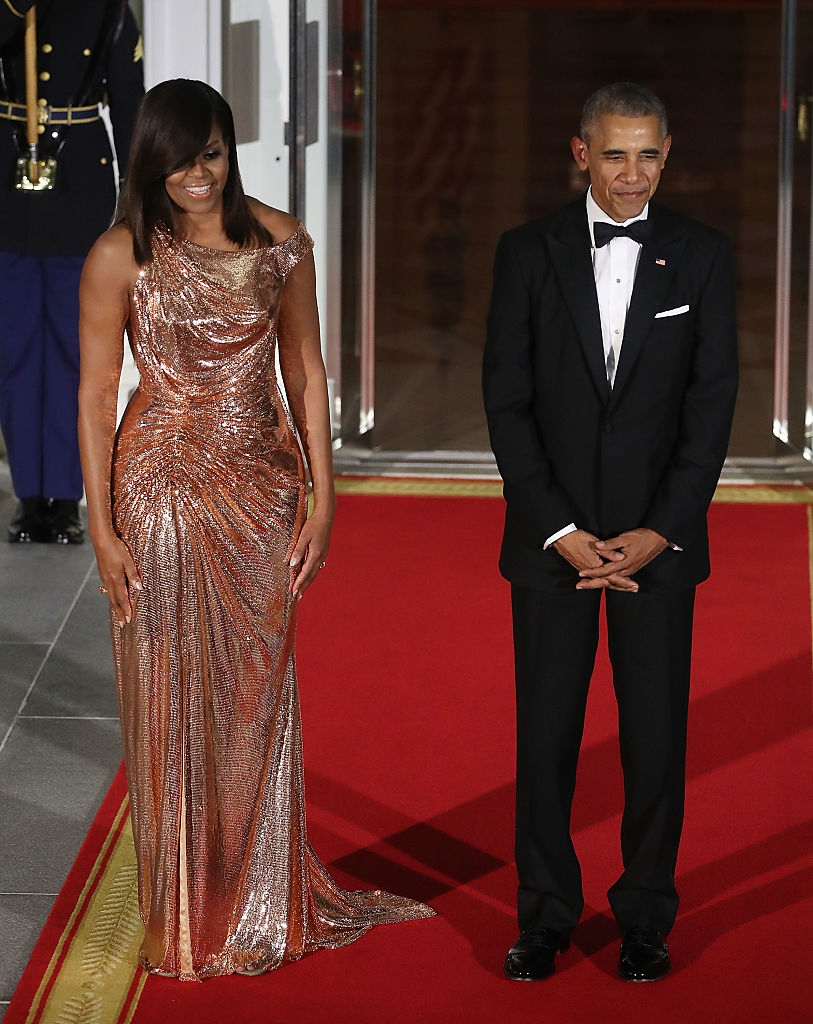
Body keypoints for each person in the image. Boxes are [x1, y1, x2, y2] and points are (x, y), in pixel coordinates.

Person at [78, 79, 433, 980]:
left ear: (231, 152)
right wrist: (101, 526)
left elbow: (307, 370)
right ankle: (182, 911)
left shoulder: (279, 241)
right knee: (164, 698)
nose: (196, 175)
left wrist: (324, 492)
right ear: (149, 162)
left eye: (210, 154)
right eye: (178, 158)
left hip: (260, 491)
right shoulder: (120, 254)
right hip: (155, 487)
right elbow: (91, 399)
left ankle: (258, 898)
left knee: (254, 701)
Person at [483, 82, 738, 983]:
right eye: (615, 155)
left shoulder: (703, 257)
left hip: (655, 551)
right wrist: (557, 529)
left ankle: (644, 916)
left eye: (649, 156)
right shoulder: (525, 254)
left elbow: (710, 412)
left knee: (654, 742)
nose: (633, 176)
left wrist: (657, 533)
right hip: (550, 547)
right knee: (545, 740)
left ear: (667, 154)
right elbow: (506, 406)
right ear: (580, 152)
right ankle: (545, 915)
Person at [0, 0, 143, 543]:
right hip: (10, 188)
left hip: (77, 180)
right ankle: (29, 495)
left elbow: (129, 102)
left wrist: (139, 196)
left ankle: (64, 497)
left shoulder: (108, 8)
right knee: (14, 351)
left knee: (70, 351)